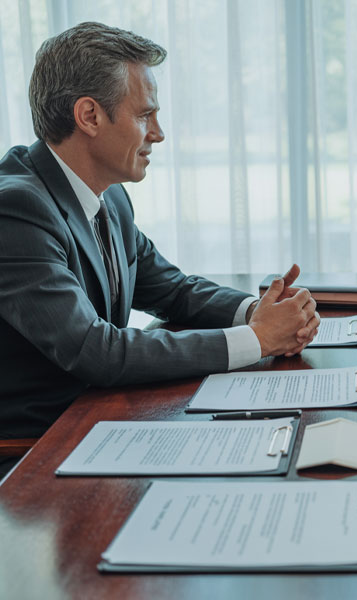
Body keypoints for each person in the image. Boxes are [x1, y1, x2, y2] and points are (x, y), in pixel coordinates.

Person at [0, 22, 319, 474]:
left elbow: (172, 291)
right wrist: (258, 339)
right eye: (144, 115)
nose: (159, 133)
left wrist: (258, 311)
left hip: (106, 419)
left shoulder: (108, 194)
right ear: (89, 116)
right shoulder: (15, 209)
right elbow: (96, 350)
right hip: (40, 452)